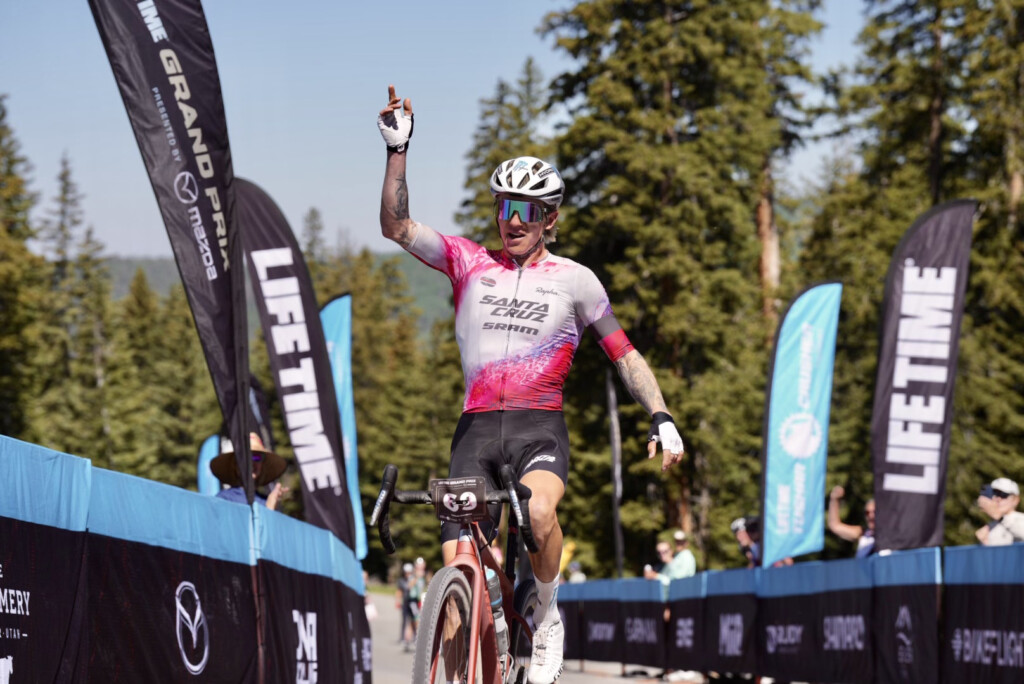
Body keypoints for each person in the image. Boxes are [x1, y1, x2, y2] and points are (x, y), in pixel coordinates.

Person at [378, 84, 685, 684]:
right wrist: (397, 150)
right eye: (504, 207)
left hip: (538, 428)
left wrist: (661, 414)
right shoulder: (469, 262)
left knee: (539, 512)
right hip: (474, 432)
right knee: (457, 587)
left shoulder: (576, 280)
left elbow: (624, 354)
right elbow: (397, 225)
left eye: (527, 209)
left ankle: (543, 612)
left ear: (550, 218)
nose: (513, 220)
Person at [210, 432, 289, 510]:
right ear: (235, 464)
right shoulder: (224, 499)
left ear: (262, 464)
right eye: (246, 457)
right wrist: (268, 509)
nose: (252, 462)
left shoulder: (267, 500)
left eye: (257, 457)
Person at [828, 486, 876, 558]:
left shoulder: (890, 533)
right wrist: (834, 499)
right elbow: (835, 526)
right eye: (867, 513)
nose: (871, 516)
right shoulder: (862, 533)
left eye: (875, 511)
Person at [975, 477, 1024, 546]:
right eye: (995, 494)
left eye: (1003, 495)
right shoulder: (991, 526)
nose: (998, 499)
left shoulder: (1021, 519)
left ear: (1016, 500)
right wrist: (984, 542)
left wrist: (1000, 518)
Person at [395, 562, 417, 650]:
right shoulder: (401, 581)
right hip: (405, 602)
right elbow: (399, 591)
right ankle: (402, 637)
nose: (407, 574)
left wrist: (412, 581)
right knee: (404, 620)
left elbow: (414, 588)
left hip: (413, 602)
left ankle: (415, 636)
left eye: (409, 572)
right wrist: (397, 600)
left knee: (413, 620)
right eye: (406, 572)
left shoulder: (414, 579)